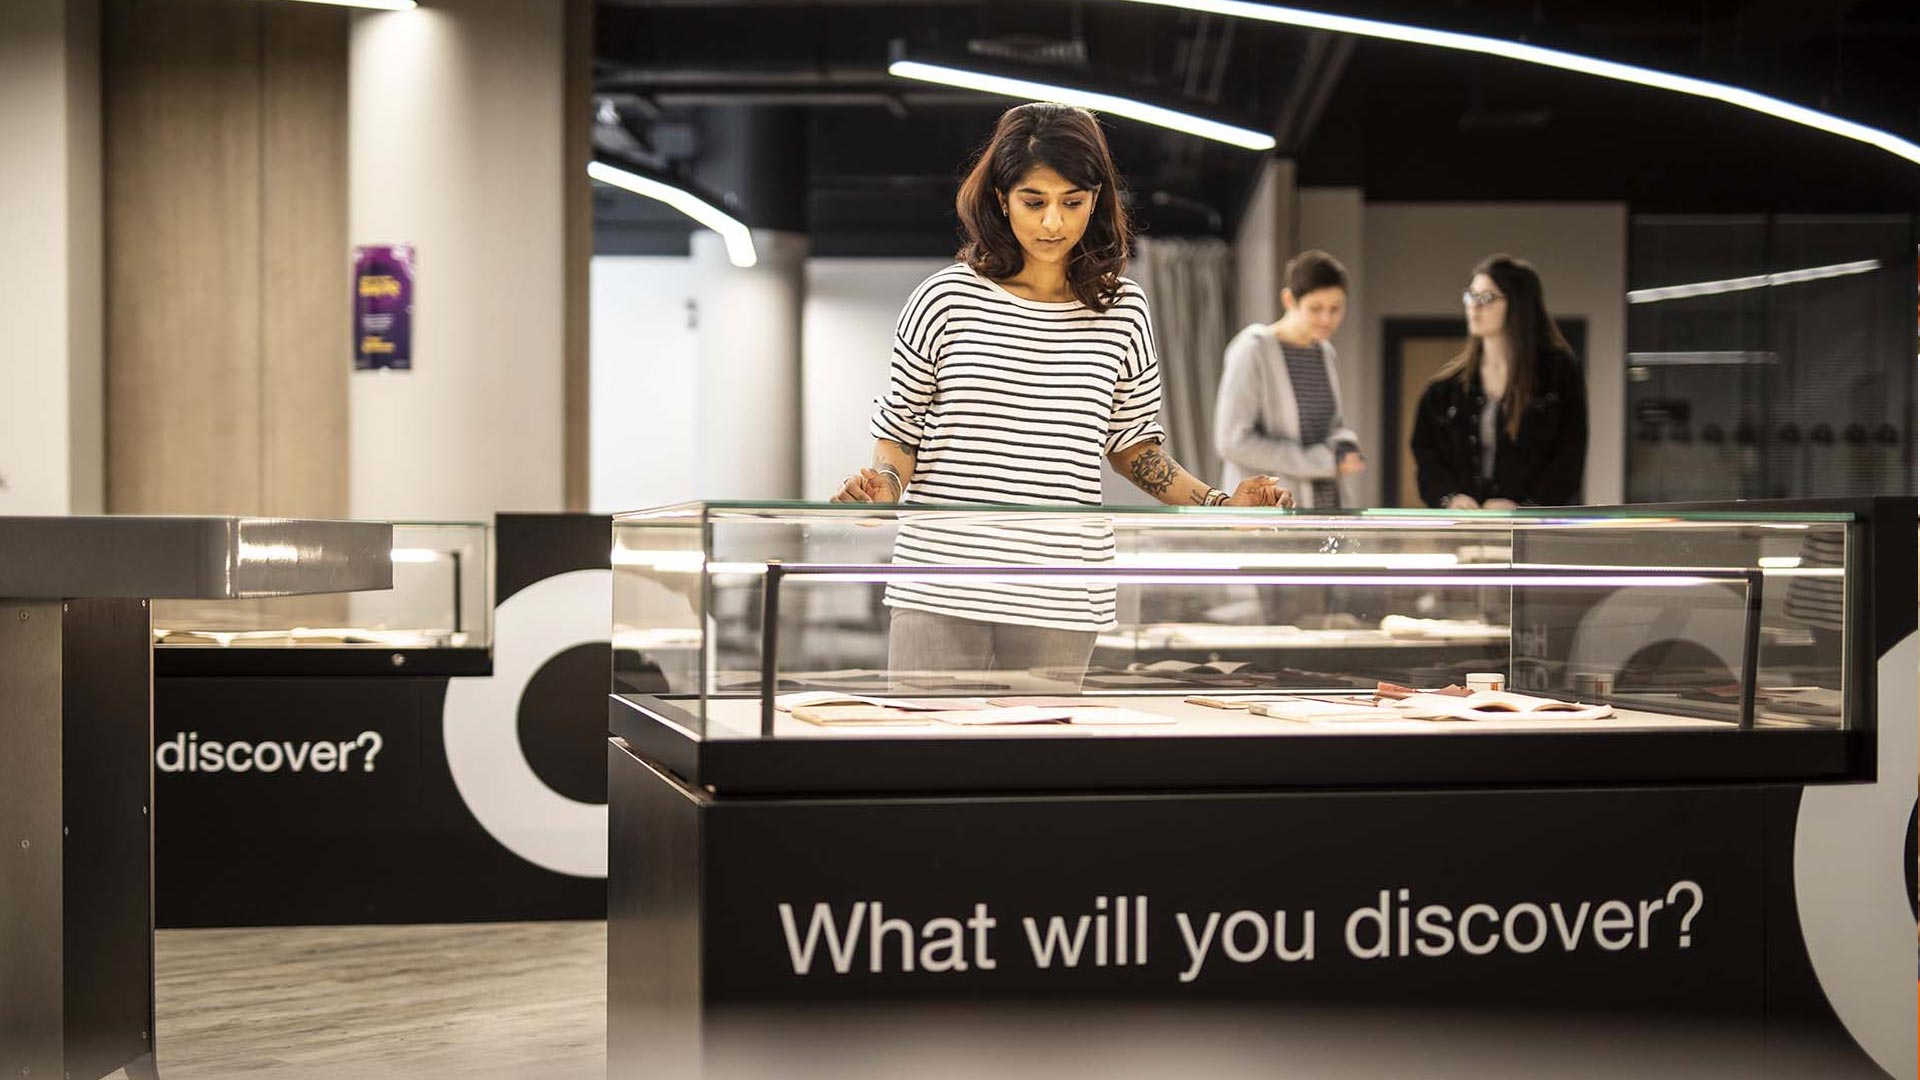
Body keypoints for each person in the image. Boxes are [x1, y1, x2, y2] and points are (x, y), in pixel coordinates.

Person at [830, 102, 1292, 680]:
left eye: (1072, 202)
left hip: (1062, 593)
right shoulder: (944, 298)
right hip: (941, 583)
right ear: (1001, 197)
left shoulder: (1124, 309)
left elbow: (1133, 446)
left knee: (1041, 764)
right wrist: (885, 489)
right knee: (926, 763)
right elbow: (899, 437)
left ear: (1096, 200)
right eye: (1034, 202)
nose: (1053, 223)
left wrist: (1220, 506)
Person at [1410, 254, 1588, 509]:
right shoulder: (1445, 388)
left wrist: (1526, 506)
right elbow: (1427, 457)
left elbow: (1569, 457)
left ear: (1517, 304)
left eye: (1487, 298)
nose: (1474, 306)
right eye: (1471, 296)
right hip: (1466, 529)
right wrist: (1449, 497)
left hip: (1535, 529)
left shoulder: (1559, 372)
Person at [1214, 249, 1365, 509]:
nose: (1327, 319)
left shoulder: (1325, 352)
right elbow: (1233, 442)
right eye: (1315, 308)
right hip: (1271, 513)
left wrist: (1344, 446)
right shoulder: (1253, 349)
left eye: (1336, 308)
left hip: (1326, 509)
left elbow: (1332, 425)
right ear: (1289, 300)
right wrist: (1322, 462)